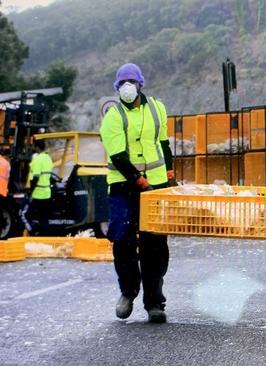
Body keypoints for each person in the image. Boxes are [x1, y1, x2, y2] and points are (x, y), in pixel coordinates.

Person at [99, 63, 176, 322]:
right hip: (124, 188)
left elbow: (163, 144)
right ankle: (128, 291)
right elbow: (118, 155)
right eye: (122, 83)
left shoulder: (157, 108)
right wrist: (138, 180)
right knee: (123, 243)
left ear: (141, 83)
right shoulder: (113, 116)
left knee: (155, 246)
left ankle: (155, 303)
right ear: (117, 88)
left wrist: (170, 173)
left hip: (155, 188)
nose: (127, 86)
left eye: (131, 81)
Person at [26, 139, 53, 236]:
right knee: (44, 217)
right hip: (47, 192)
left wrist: (30, 192)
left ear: (36, 147)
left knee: (28, 215)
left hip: (38, 193)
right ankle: (44, 236)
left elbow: (35, 177)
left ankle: (34, 233)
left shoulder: (37, 159)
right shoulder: (48, 158)